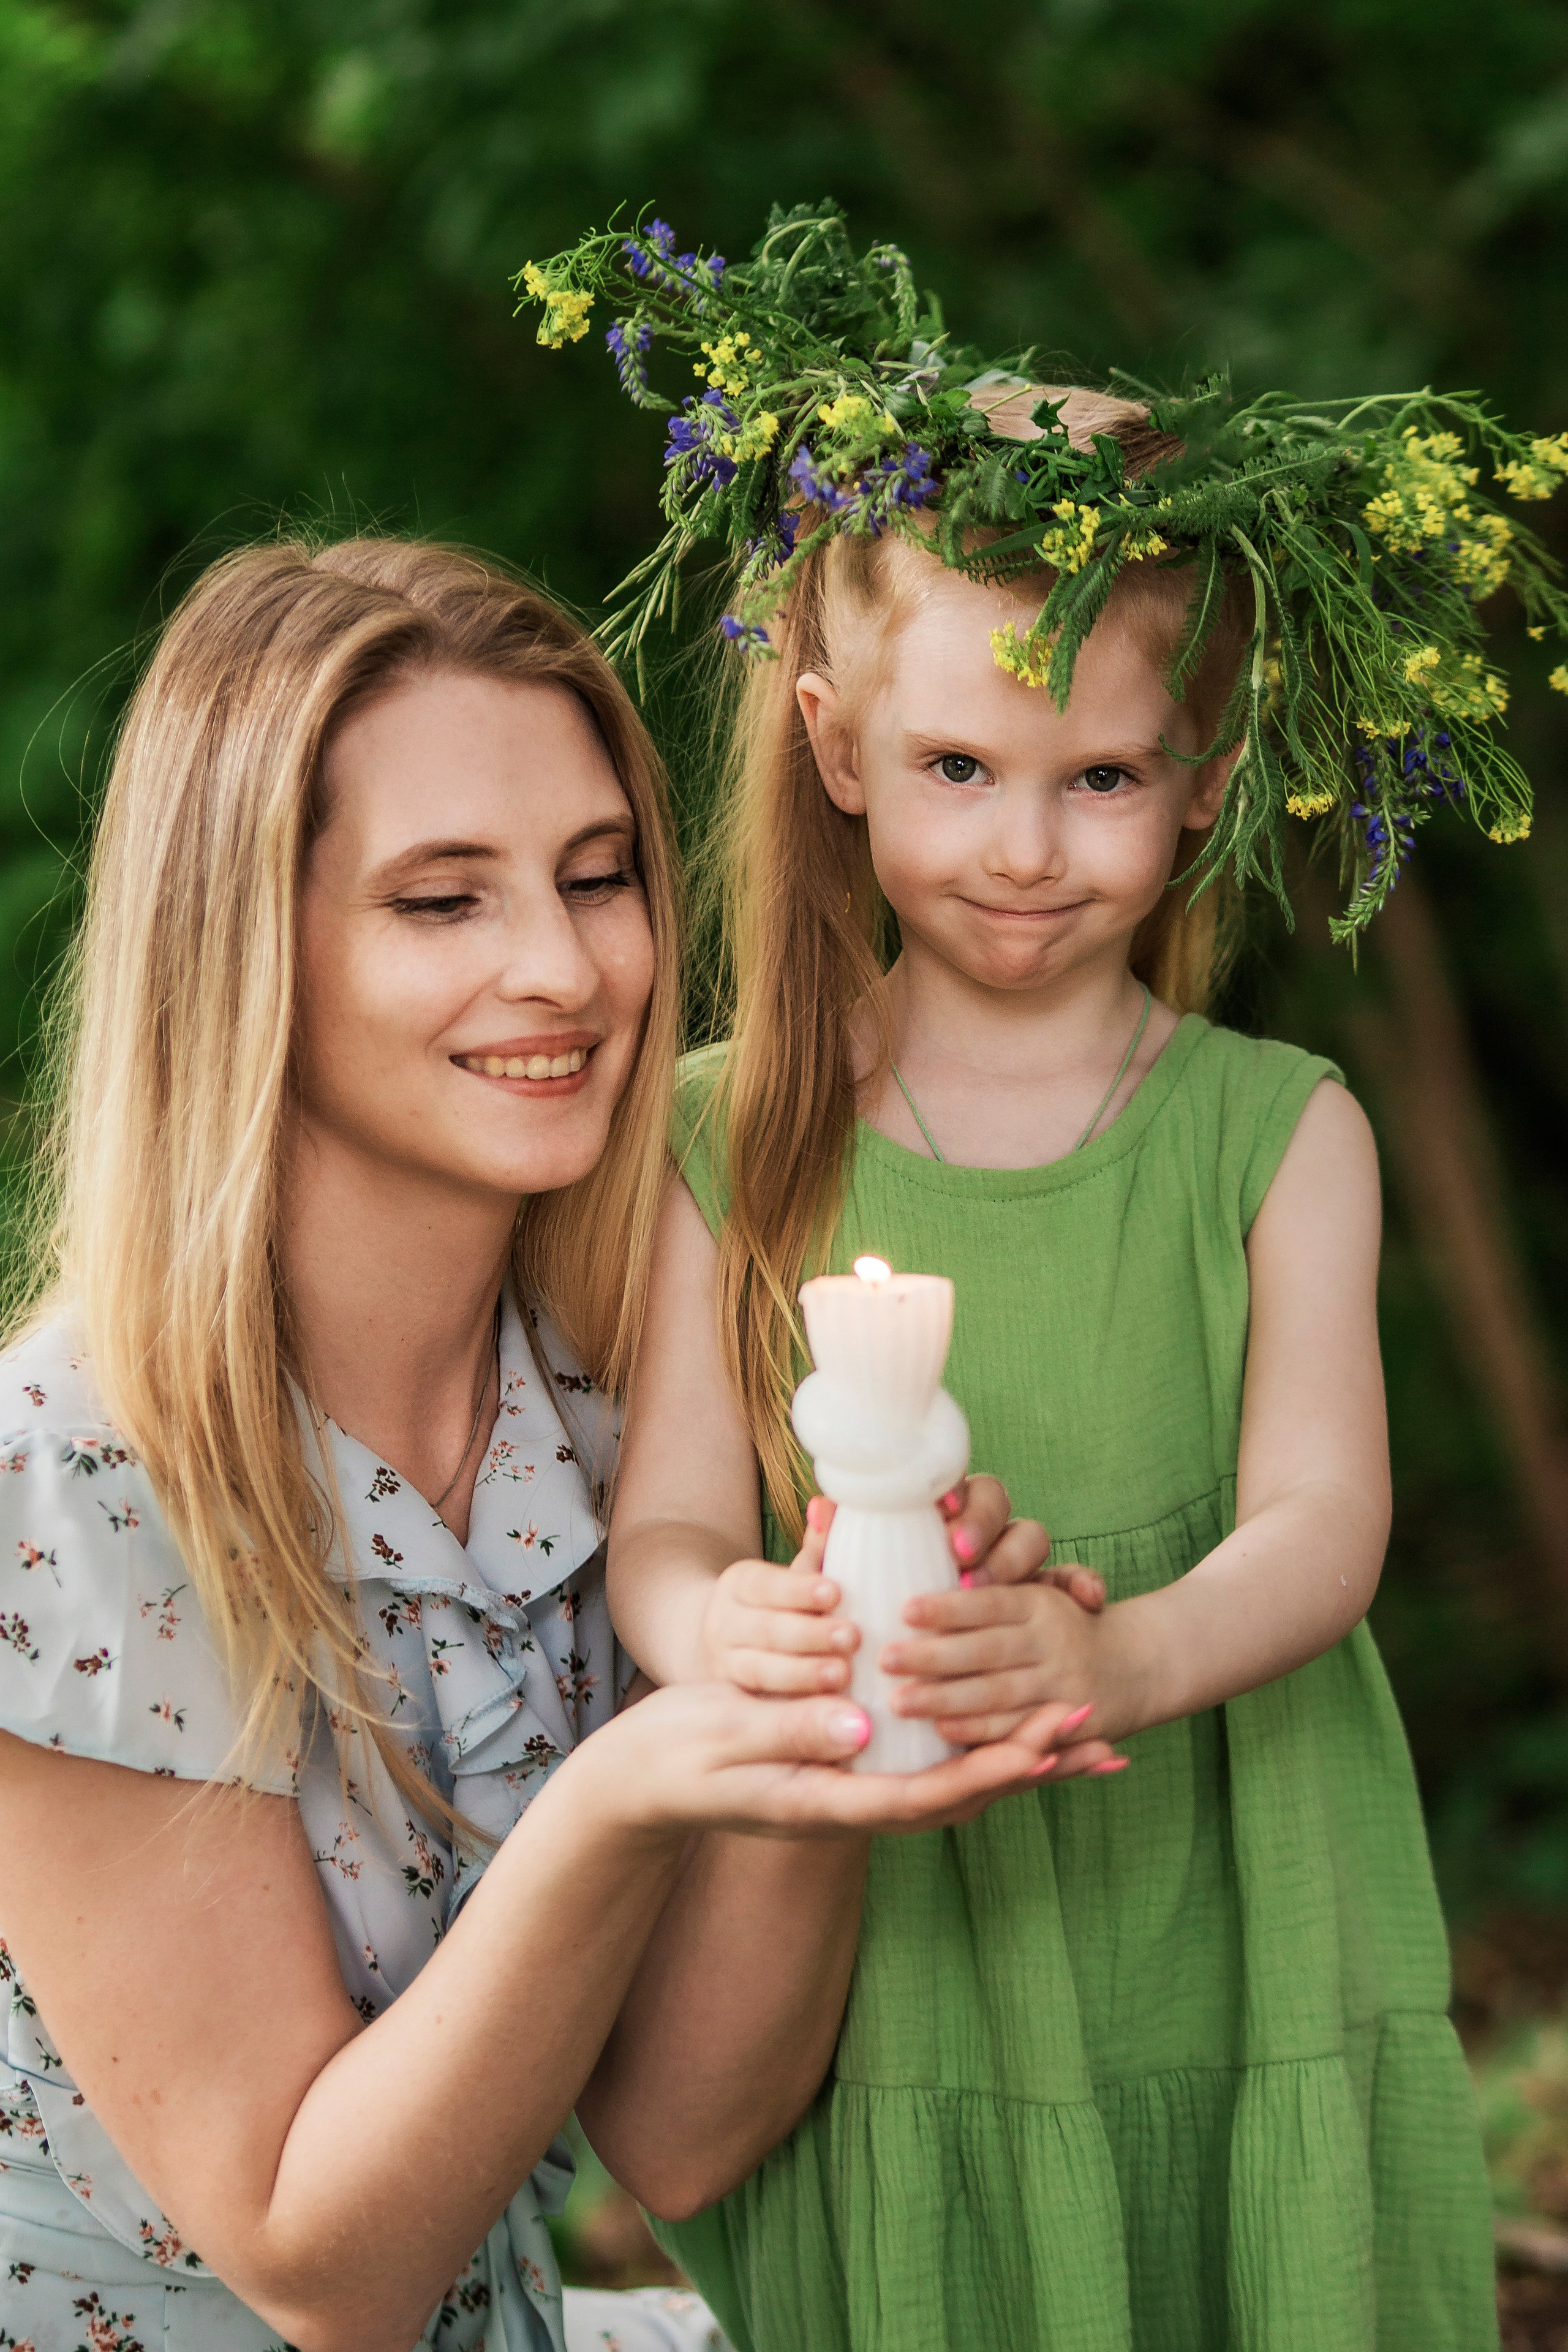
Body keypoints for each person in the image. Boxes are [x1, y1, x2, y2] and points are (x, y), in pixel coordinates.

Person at [518, 203, 1568, 2346]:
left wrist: (1133, 1661)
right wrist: (756, 1628)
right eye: (959, 771)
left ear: (1203, 778)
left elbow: (1326, 1519)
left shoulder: (1278, 1133)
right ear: (836, 752)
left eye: (1102, 778)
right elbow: (671, 1531)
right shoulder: (728, 1131)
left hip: (1223, 1876)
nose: (1027, 845)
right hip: (912, 1919)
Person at [0, 537, 1111, 2352]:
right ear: (243, 945)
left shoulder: (601, 1416)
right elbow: (324, 2268)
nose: (565, 968)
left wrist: (840, 1694)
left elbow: (679, 2133)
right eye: (442, 902)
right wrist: (637, 1780)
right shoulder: (72, 1474)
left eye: (599, 880)